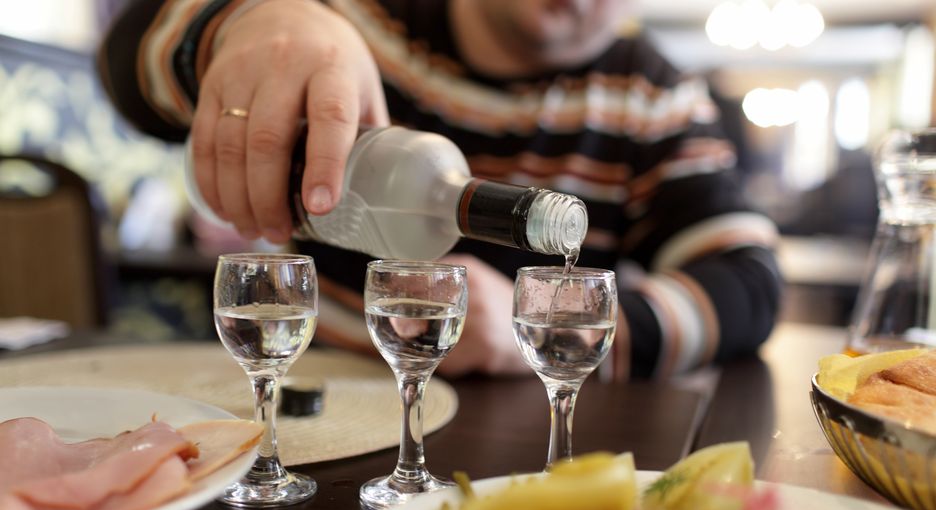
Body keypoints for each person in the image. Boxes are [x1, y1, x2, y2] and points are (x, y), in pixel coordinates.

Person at [97, 0, 782, 380]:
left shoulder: (652, 97)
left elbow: (748, 283)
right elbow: (124, 60)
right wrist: (248, 22)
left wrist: (547, 328)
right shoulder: (361, 19)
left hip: (509, 452)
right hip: (315, 398)